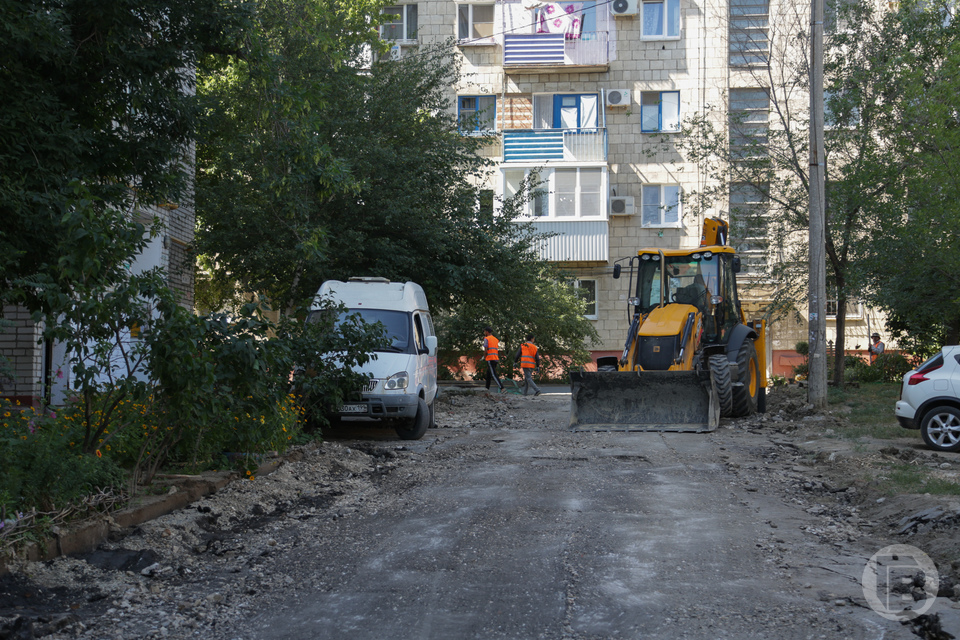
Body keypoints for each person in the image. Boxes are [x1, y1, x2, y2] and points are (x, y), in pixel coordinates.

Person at [482, 326, 504, 392]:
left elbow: (486, 350)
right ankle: (486, 389)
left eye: (485, 331)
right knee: (488, 374)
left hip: (490, 358)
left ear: (487, 332)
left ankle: (502, 388)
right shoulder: (495, 339)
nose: (484, 333)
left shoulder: (486, 339)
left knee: (494, 374)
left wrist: (484, 356)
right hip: (495, 358)